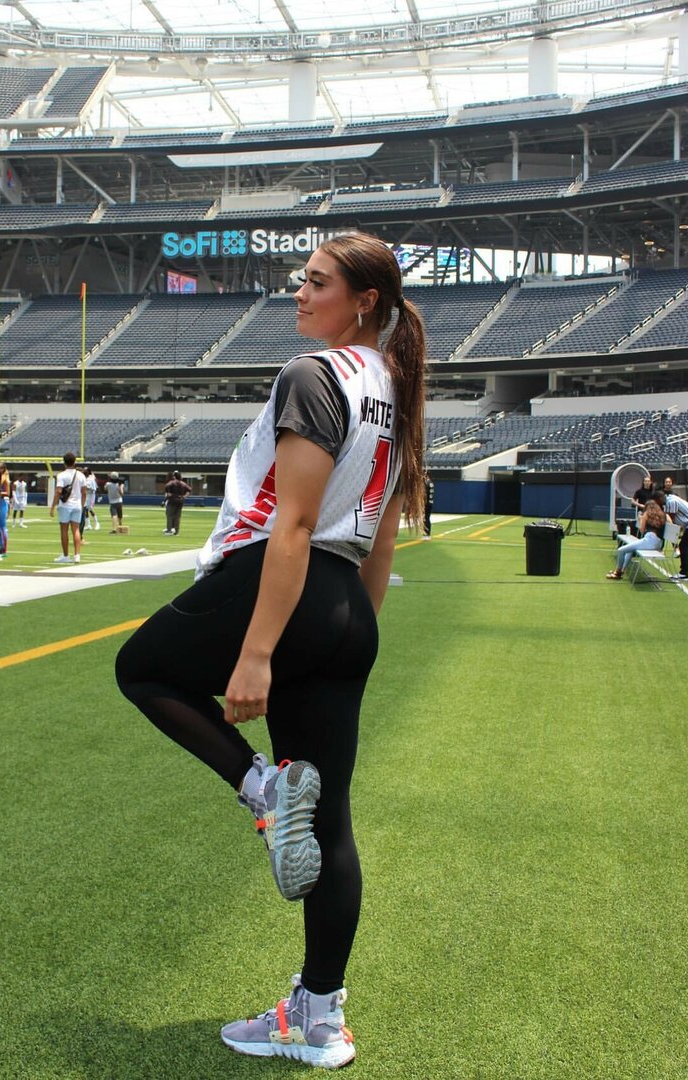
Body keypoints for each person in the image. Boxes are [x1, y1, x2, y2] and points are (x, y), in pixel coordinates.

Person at [116, 233, 426, 1069]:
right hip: (346, 604)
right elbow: (382, 538)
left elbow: (293, 524)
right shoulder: (397, 390)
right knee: (332, 823)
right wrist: (347, 636)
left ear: (363, 301)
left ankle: (260, 786)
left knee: (140, 669)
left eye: (317, 283)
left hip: (283, 583)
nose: (300, 293)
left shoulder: (315, 374)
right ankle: (319, 1019)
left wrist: (258, 654)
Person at [606, 498, 666, 579]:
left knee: (621, 550)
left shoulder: (646, 514)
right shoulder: (663, 515)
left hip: (649, 540)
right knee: (630, 550)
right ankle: (622, 570)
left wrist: (641, 519)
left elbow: (641, 530)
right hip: (659, 543)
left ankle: (617, 572)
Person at [658, 488, 688, 581]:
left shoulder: (671, 502)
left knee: (683, 545)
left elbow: (671, 520)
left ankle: (684, 573)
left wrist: (677, 533)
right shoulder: (671, 499)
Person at [50, 451, 86, 564]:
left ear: (64, 463)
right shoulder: (81, 475)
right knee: (76, 530)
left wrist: (52, 506)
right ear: (74, 462)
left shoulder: (61, 475)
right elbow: (84, 492)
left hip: (65, 506)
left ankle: (65, 555)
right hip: (77, 505)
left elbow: (58, 491)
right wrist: (82, 505)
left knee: (64, 530)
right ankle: (77, 555)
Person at [163, 470, 191, 535]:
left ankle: (169, 530)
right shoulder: (183, 484)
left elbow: (168, 492)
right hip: (180, 501)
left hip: (172, 501)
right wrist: (184, 497)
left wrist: (165, 499)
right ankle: (176, 531)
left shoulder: (171, 483)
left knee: (169, 516)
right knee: (177, 517)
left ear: (174, 476)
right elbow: (189, 490)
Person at [0, 462, 11, 557]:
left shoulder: (5, 479)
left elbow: (7, 493)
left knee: (2, 526)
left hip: (2, 502)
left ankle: (4, 549)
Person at [84, 467, 100, 532]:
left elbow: (93, 488)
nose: (84, 471)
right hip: (86, 494)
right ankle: (88, 525)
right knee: (85, 509)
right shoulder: (86, 478)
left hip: (90, 495)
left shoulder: (91, 478)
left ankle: (97, 523)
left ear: (88, 472)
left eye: (85, 470)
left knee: (90, 509)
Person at [423, 471, 434, 539]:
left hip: (426, 503)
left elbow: (425, 494)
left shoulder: (427, 483)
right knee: (427, 518)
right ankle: (427, 534)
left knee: (425, 519)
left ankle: (426, 534)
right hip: (430, 502)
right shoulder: (431, 482)